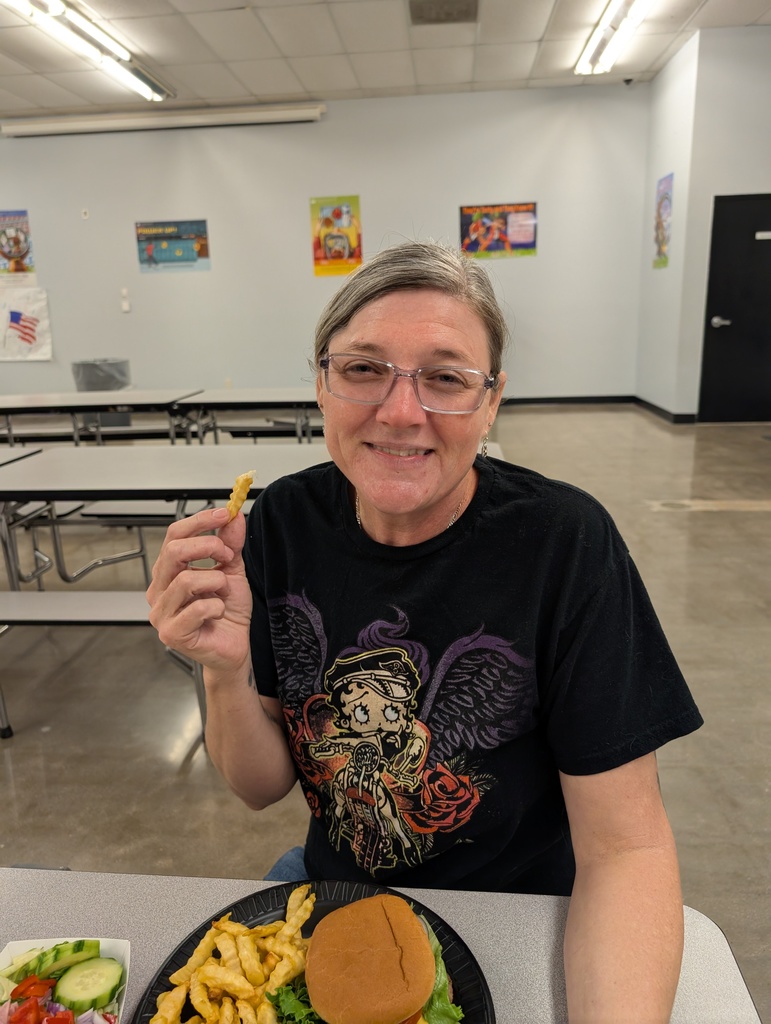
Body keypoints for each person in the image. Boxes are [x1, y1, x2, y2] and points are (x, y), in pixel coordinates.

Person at [147, 240, 702, 1023]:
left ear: (492, 399)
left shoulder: (560, 544)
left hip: (519, 913)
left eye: (445, 377)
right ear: (321, 382)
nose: (401, 412)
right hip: (337, 895)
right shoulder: (280, 523)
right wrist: (222, 668)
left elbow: (626, 851)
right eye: (363, 368)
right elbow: (260, 784)